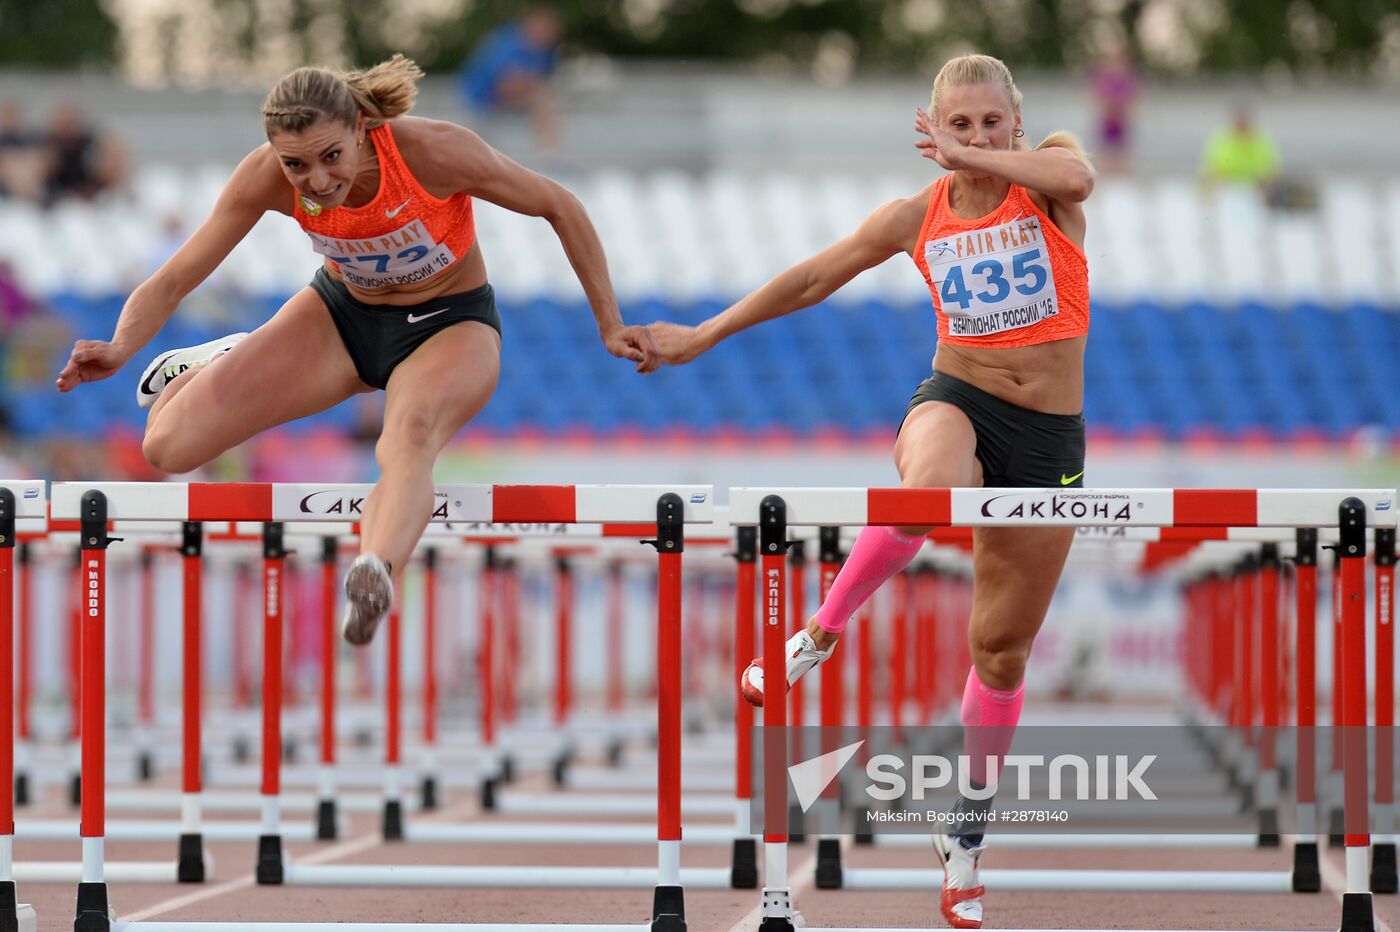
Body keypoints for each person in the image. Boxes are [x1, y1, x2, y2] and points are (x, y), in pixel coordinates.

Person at [645, 53, 1093, 930]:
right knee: (926, 486)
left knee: (1000, 651)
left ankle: (966, 833)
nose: (974, 138)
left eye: (990, 123)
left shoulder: (1048, 181)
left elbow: (1076, 170)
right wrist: (702, 335)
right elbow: (814, 278)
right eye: (957, 126)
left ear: (1015, 122)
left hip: (1048, 437)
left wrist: (990, 161)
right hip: (957, 397)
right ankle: (817, 634)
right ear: (932, 128)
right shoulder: (913, 218)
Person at [56, 54, 658, 646]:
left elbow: (561, 205)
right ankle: (224, 356)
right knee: (167, 446)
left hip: (447, 324)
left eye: (331, 157)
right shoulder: (265, 175)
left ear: (364, 131)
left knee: (407, 436)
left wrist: (609, 325)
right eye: (297, 165)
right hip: (339, 318)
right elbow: (174, 277)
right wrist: (120, 345)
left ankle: (375, 571)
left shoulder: (432, 153)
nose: (317, 181)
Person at [457, 7, 563, 153]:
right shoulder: (508, 43)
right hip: (481, 101)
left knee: (544, 98)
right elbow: (502, 83)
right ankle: (548, 155)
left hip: (503, 102)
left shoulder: (541, 50)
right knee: (541, 96)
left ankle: (548, 153)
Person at [1086, 42, 1139, 176]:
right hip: (1107, 122)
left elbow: (1131, 99)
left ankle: (1122, 180)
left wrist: (1121, 109)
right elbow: (1098, 99)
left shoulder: (1126, 77)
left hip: (1120, 122)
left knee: (1121, 154)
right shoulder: (1104, 77)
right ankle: (1103, 179)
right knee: (1104, 154)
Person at [1201, 103, 1279, 192]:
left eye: (1244, 120)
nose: (1242, 123)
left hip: (1256, 190)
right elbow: (1209, 168)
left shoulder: (1262, 140)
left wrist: (1263, 178)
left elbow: (1272, 168)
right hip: (1226, 189)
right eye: (1239, 120)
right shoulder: (1220, 139)